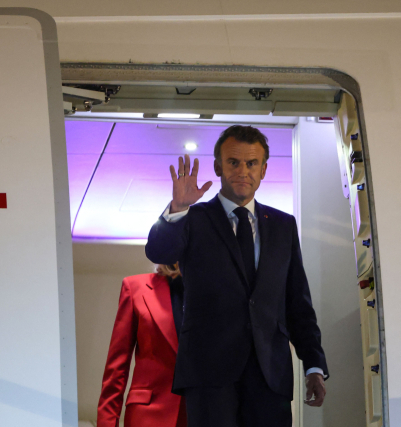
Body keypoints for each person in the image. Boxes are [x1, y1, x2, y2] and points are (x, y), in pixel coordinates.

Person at [145, 125, 328, 427]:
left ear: (264, 170)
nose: (243, 171)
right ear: (218, 166)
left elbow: (298, 303)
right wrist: (178, 207)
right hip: (209, 375)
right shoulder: (194, 218)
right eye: (233, 162)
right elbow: (159, 251)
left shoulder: (283, 225)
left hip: (270, 376)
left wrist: (313, 365)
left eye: (251, 163)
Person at [97, 265, 187, 427]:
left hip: (201, 413)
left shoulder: (216, 291)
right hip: (148, 415)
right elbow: (117, 366)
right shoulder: (135, 287)